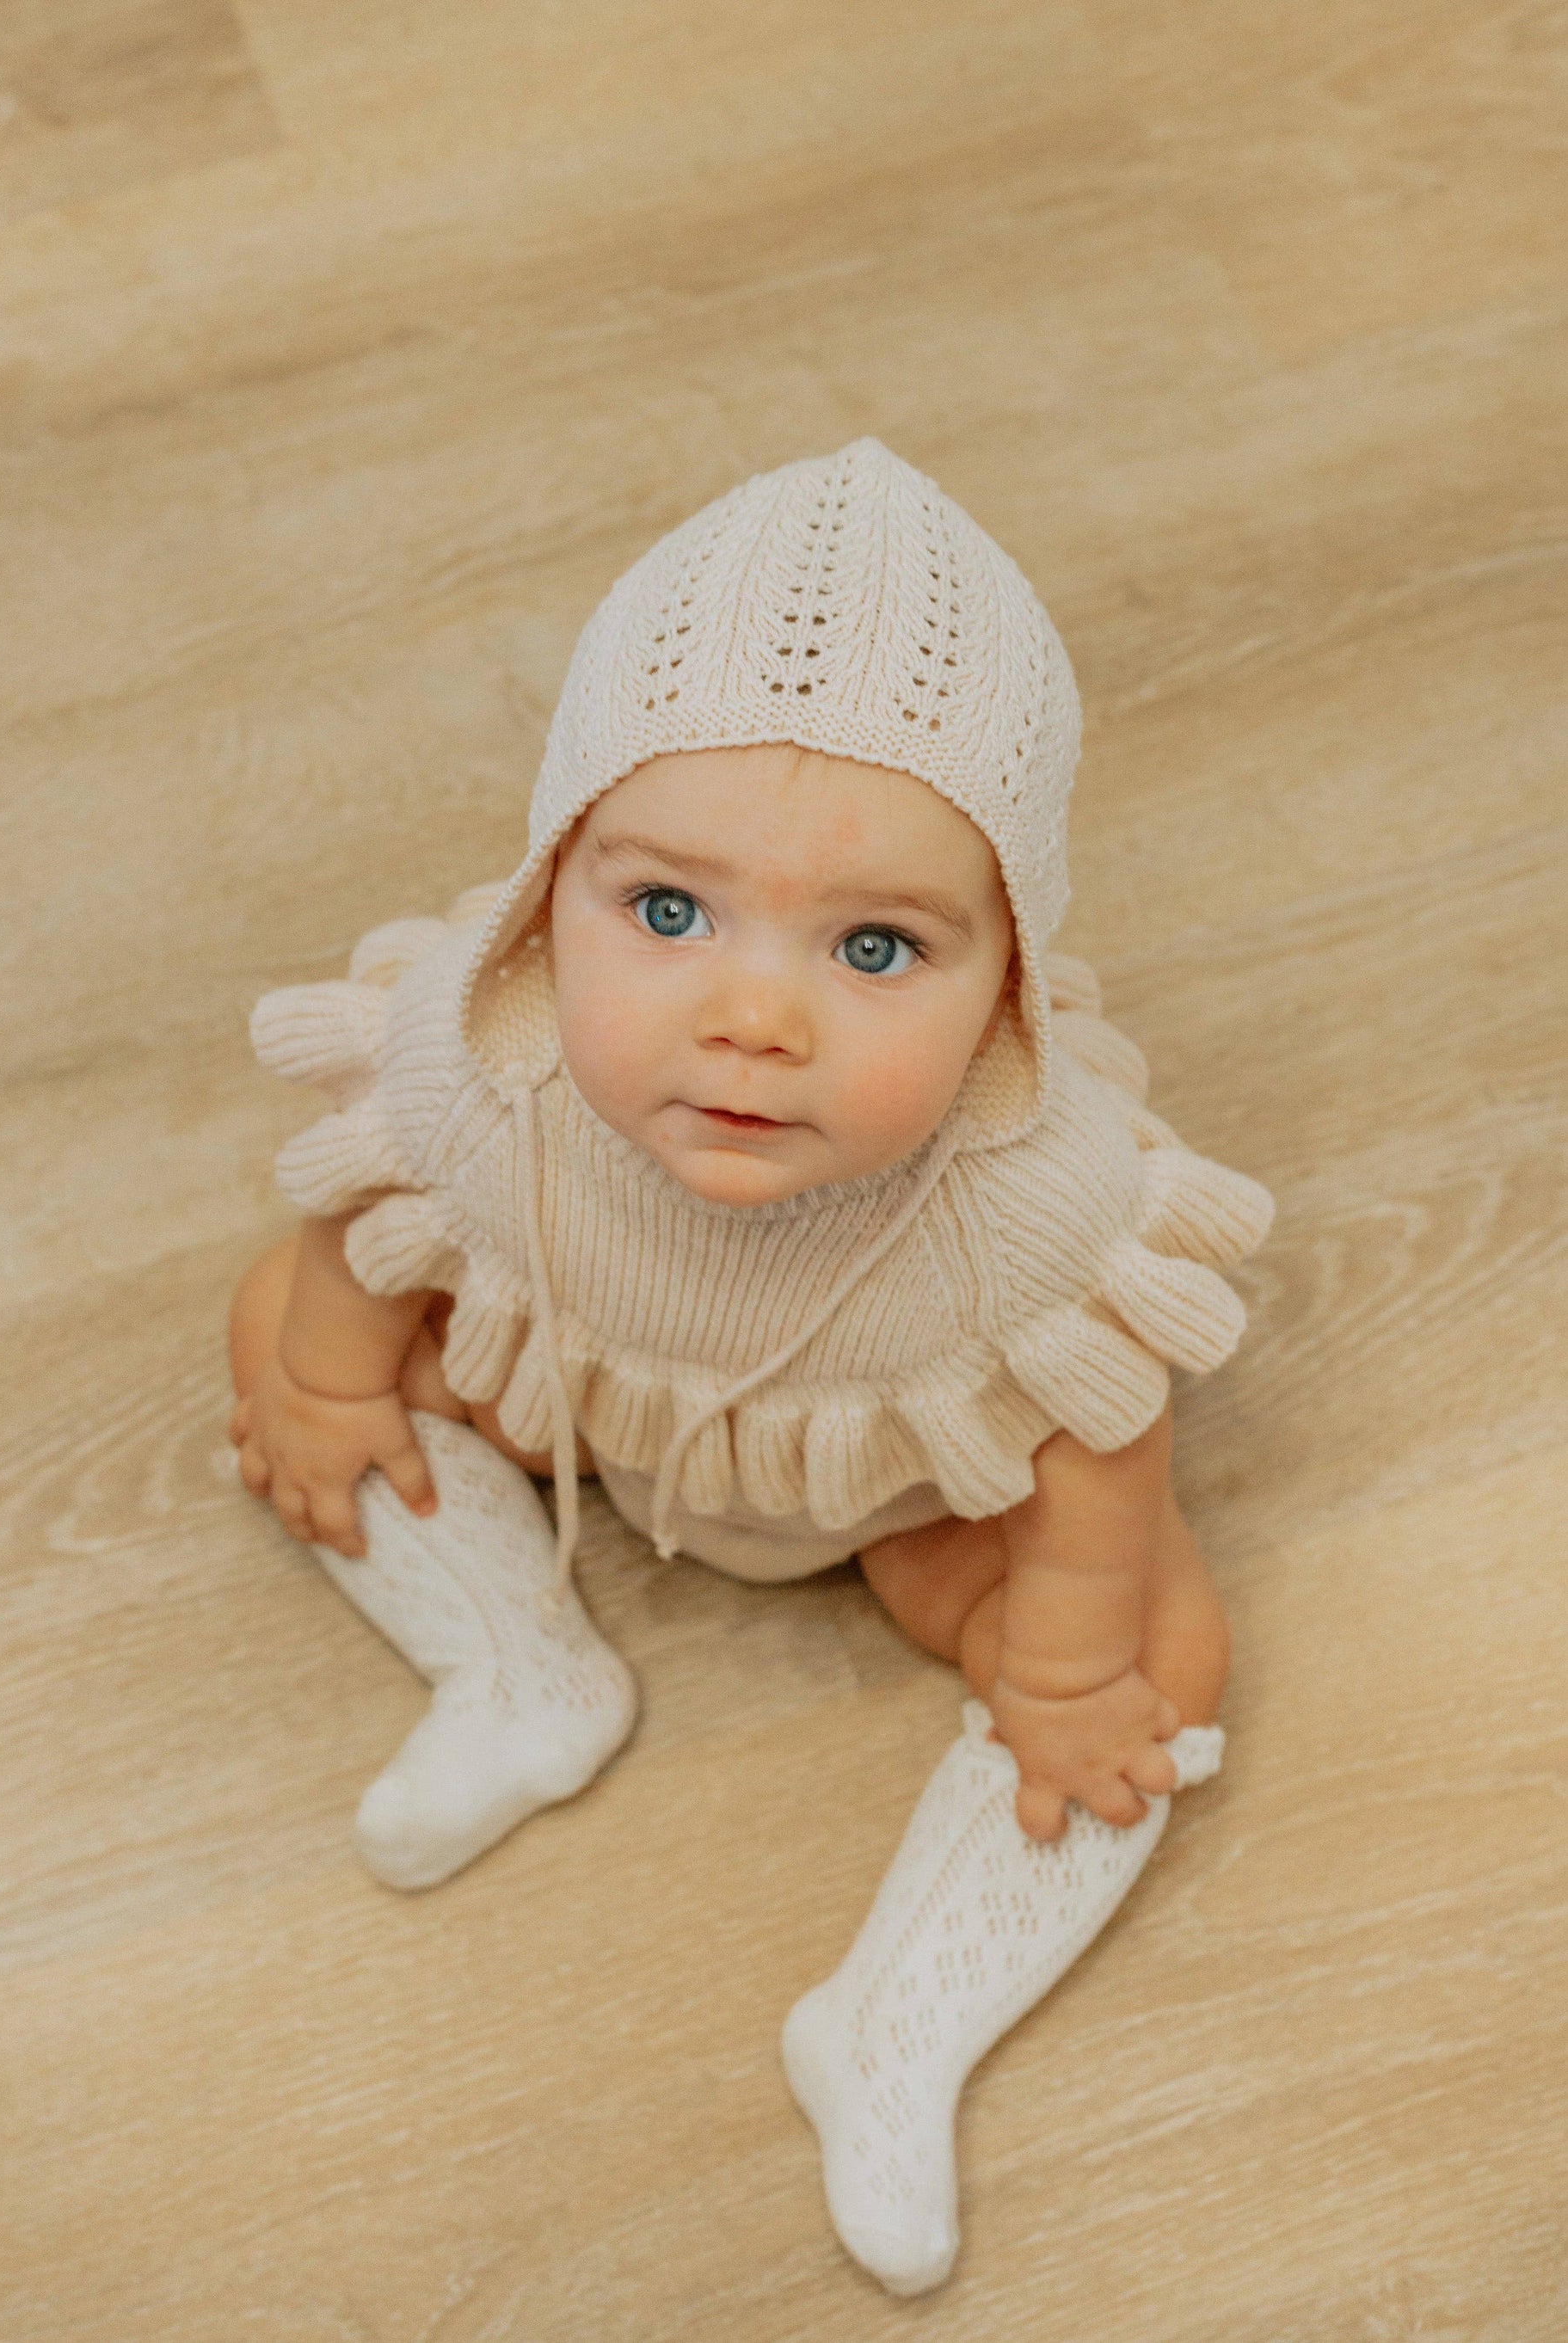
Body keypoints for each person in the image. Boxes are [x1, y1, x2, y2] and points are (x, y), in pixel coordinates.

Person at [229, 438, 1272, 2293]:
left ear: (1006, 984)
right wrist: (320, 1387)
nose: (750, 1016)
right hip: (577, 1412)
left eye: (874, 946)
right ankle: (514, 1667)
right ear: (548, 894)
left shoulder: (1029, 1200)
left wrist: (1060, 1670)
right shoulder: (484, 1064)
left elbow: (1101, 1442)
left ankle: (899, 2021)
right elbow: (364, 1220)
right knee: (291, 1320)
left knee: (1154, 1648)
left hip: (897, 1504)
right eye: (664, 913)